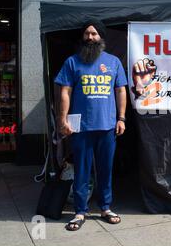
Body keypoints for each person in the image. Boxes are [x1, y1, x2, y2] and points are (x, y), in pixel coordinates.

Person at [54, 19, 127, 231]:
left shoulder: (113, 62)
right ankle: (80, 211)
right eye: (87, 33)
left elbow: (120, 90)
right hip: (81, 128)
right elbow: (64, 92)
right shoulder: (72, 62)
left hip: (107, 126)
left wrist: (121, 118)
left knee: (105, 169)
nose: (90, 37)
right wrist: (62, 119)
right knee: (82, 171)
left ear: (101, 37)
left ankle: (105, 207)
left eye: (94, 34)